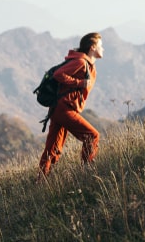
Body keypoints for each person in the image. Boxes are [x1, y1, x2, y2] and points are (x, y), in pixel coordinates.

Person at [38, 32, 104, 179]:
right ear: (92, 47)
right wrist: (80, 83)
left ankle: (41, 181)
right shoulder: (80, 62)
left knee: (53, 148)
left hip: (58, 108)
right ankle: (87, 173)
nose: (103, 49)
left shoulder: (87, 64)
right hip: (63, 109)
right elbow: (59, 74)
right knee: (92, 136)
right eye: (101, 46)